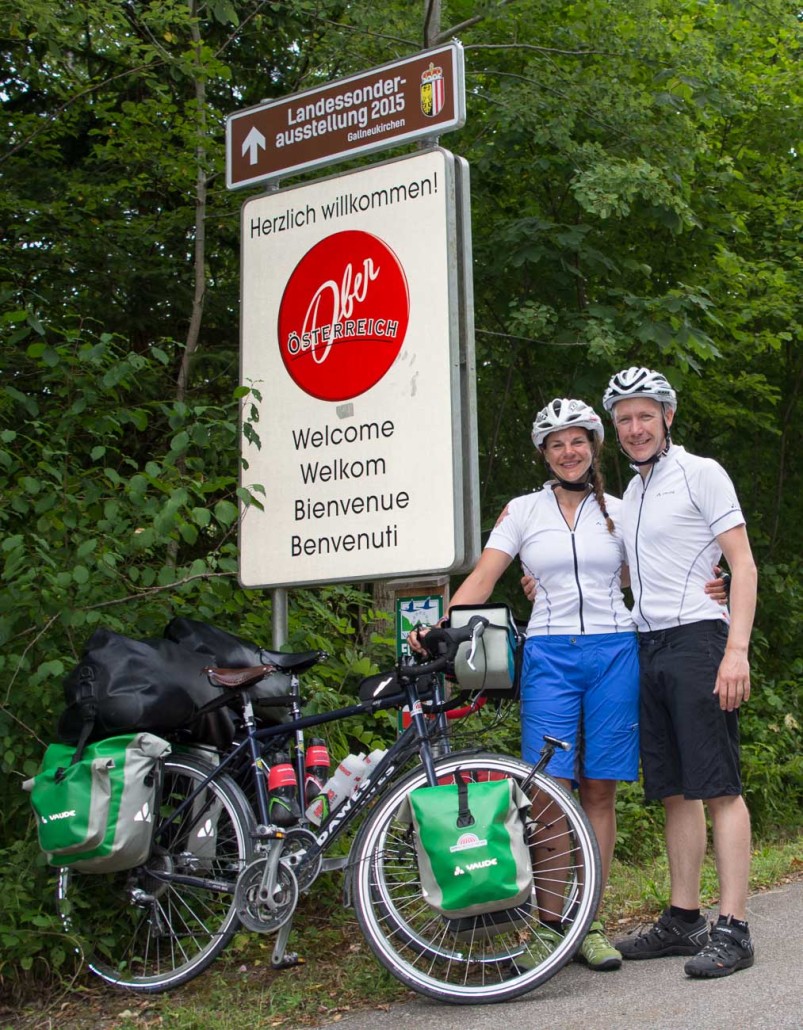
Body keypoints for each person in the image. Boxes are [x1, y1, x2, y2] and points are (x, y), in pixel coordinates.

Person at [411, 397, 725, 972]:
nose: (568, 451)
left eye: (577, 440)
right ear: (544, 454)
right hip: (550, 655)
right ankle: (551, 923)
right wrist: (440, 626)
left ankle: (590, 922)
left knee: (599, 790)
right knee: (549, 790)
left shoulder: (624, 508)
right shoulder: (522, 510)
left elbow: (662, 566)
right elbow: (484, 576)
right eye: (556, 444)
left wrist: (715, 582)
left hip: (615, 651)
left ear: (594, 446)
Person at [601, 366, 758, 979]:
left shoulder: (702, 473)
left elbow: (742, 564)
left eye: (645, 415)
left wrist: (736, 649)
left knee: (719, 786)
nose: (635, 428)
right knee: (673, 789)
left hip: (698, 640)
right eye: (624, 420)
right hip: (647, 645)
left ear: (668, 416)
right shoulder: (633, 492)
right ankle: (684, 919)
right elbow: (634, 571)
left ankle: (735, 928)